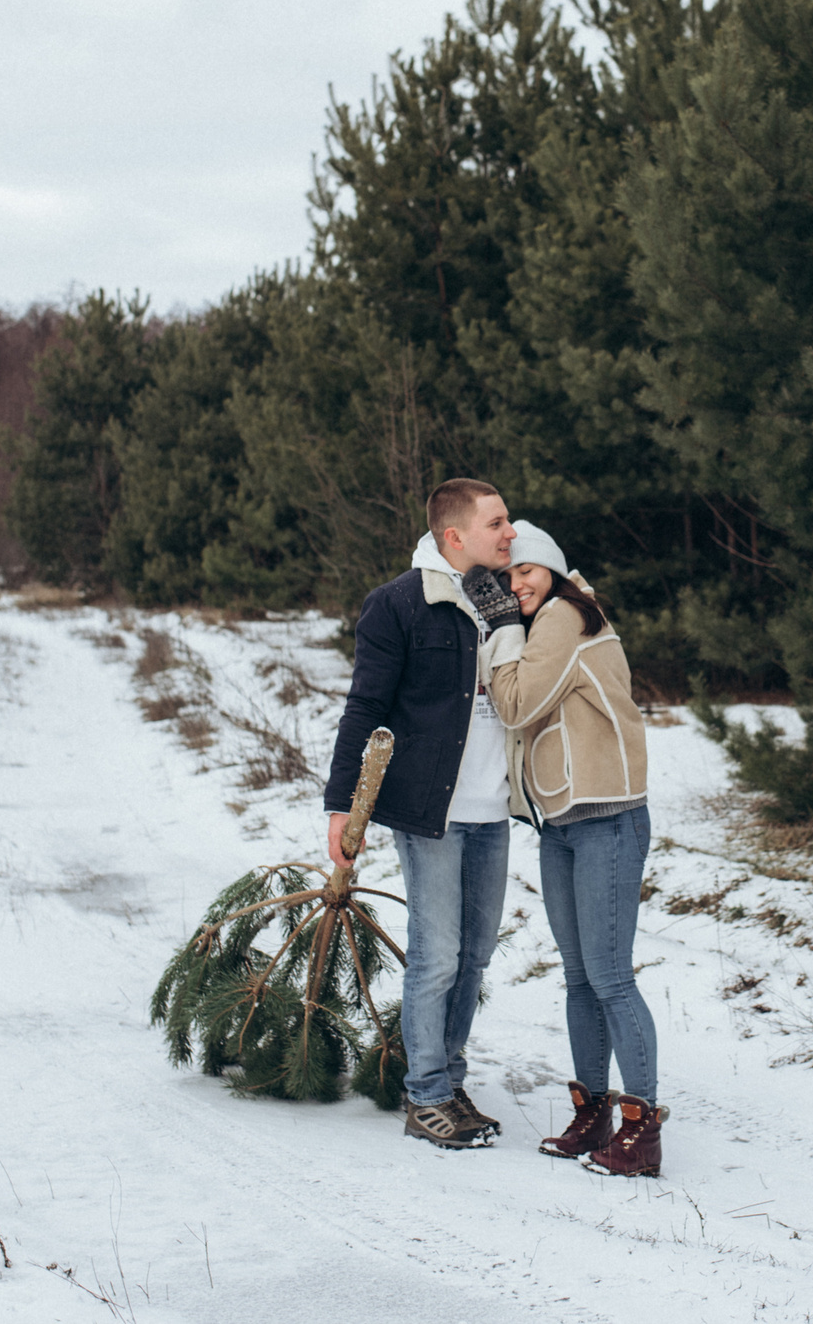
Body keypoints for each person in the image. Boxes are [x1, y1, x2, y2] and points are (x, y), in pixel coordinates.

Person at [322, 477, 527, 1150]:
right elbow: (364, 708)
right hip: (429, 814)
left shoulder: (505, 601)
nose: (509, 533)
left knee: (474, 956)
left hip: (491, 812)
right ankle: (427, 1094)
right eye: (497, 522)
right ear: (454, 536)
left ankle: (450, 1077)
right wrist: (339, 805)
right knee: (436, 956)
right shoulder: (399, 605)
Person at [482, 521, 665, 1177]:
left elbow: (515, 705)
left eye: (525, 570)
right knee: (581, 977)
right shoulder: (556, 618)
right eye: (505, 577)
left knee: (609, 976)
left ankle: (640, 1132)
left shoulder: (563, 613)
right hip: (563, 821)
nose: (515, 584)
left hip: (607, 821)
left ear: (554, 569)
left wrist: (500, 627)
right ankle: (592, 1115)